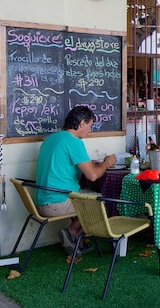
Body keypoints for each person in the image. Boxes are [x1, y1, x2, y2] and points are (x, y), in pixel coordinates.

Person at [35, 105, 116, 254]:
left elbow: (64, 163)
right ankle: (71, 233)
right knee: (101, 201)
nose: (90, 130)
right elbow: (92, 176)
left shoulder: (51, 138)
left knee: (86, 195)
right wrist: (106, 163)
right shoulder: (74, 142)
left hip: (41, 200)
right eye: (90, 125)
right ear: (82, 123)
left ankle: (75, 241)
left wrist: (90, 164)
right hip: (56, 203)